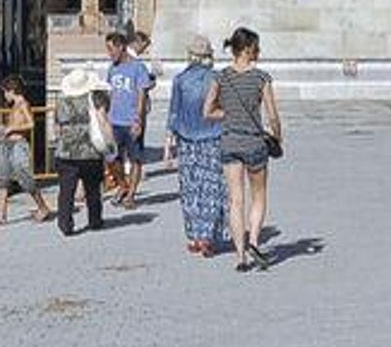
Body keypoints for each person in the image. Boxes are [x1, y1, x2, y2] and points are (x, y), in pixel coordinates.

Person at [204, 27, 284, 273]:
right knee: (258, 196)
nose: (258, 52)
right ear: (248, 49)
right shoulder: (261, 78)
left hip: (230, 141)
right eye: (256, 48)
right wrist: (277, 137)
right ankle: (254, 242)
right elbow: (272, 116)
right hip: (253, 142)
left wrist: (228, 114)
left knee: (235, 200)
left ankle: (240, 257)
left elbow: (207, 111)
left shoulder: (221, 77)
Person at [167, 34, 227, 256]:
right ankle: (207, 236)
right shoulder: (217, 78)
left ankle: (194, 235)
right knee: (211, 188)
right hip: (213, 138)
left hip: (187, 140)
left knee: (190, 188)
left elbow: (174, 112)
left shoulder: (180, 79)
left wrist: (168, 143)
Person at [54, 66, 112, 236]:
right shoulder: (94, 99)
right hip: (90, 150)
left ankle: (65, 224)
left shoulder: (60, 101)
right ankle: (95, 220)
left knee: (66, 191)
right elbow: (102, 120)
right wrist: (110, 143)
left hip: (66, 152)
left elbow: (57, 127)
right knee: (92, 188)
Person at [0, 75, 52, 226]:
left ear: (12, 90)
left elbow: (31, 124)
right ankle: (1, 215)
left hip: (18, 145)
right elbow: (12, 125)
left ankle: (43, 207)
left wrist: (12, 128)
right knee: (2, 179)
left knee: (26, 179)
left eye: (5, 92)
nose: (4, 95)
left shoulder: (23, 104)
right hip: (7, 144)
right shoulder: (14, 106)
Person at [103, 31, 154, 209]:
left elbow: (141, 95)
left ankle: (131, 194)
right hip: (114, 120)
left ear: (121, 47)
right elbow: (109, 94)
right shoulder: (112, 69)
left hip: (131, 120)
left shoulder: (138, 68)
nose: (109, 54)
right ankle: (123, 185)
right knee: (112, 158)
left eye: (111, 49)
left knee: (135, 159)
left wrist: (138, 120)